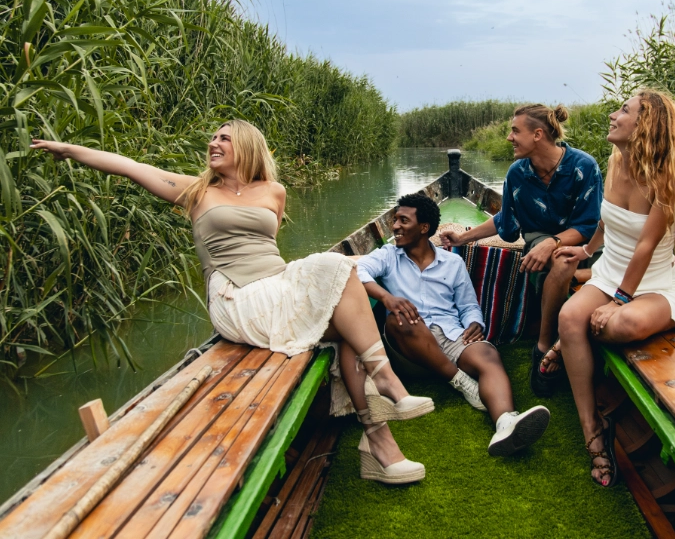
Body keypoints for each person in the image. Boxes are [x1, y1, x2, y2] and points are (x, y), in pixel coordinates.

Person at [31, 120, 434, 485]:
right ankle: (387, 390)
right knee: (342, 279)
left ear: (246, 146)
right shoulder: (196, 192)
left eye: (224, 137)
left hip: (277, 284)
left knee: (346, 304)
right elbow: (132, 167)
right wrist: (68, 149)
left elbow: (266, 249)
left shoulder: (274, 191)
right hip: (237, 297)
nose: (214, 143)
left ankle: (380, 445)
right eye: (213, 137)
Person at [552, 89, 675, 487]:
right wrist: (585, 250)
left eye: (624, 110)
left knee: (620, 326)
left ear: (646, 126)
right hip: (609, 273)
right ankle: (593, 433)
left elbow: (646, 245)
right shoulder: (617, 160)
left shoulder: (674, 173)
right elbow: (608, 221)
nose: (612, 114)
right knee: (570, 317)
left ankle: (568, 344)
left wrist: (620, 301)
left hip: (652, 283)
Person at [358, 193, 551, 456]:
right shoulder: (388, 255)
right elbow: (359, 271)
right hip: (409, 349)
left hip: (450, 336)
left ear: (424, 228)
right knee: (402, 317)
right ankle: (460, 381)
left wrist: (474, 322)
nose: (395, 227)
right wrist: (386, 297)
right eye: (395, 220)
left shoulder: (453, 262)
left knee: (488, 354)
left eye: (403, 220)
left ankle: (506, 422)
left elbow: (469, 305)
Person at [439, 104, 603, 397]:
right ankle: (542, 348)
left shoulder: (583, 167)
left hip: (585, 244)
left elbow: (590, 224)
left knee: (563, 255)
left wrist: (554, 242)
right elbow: (506, 221)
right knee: (561, 262)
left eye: (515, 131)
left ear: (538, 134)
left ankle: (582, 282)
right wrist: (465, 238)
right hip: (544, 242)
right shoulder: (517, 173)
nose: (509, 138)